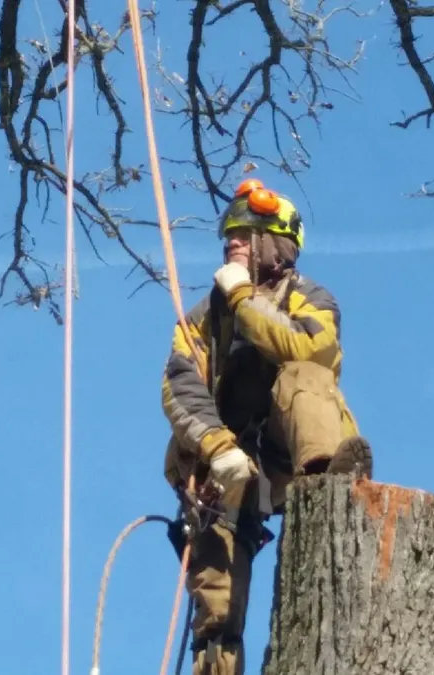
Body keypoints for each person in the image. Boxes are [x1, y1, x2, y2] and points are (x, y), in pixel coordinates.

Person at [160, 178, 373, 674]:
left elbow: (309, 350)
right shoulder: (202, 317)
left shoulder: (311, 297)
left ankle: (325, 485)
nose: (230, 242)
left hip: (288, 446)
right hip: (227, 464)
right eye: (228, 234)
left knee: (304, 376)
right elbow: (179, 381)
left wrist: (242, 299)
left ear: (274, 243)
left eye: (243, 232)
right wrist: (217, 448)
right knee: (215, 596)